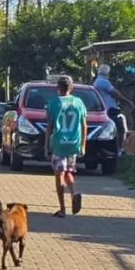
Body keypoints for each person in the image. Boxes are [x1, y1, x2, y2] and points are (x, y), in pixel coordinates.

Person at [45, 75, 87, 218]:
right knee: (69, 171)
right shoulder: (79, 102)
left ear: (58, 88)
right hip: (73, 143)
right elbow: (84, 124)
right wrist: (83, 144)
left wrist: (46, 146)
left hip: (59, 143)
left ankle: (62, 209)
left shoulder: (53, 103)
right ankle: (74, 194)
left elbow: (49, 126)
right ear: (71, 87)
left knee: (59, 175)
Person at [92, 64, 132, 156]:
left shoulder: (97, 81)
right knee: (119, 129)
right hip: (109, 110)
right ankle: (119, 150)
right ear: (108, 73)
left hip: (105, 110)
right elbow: (115, 93)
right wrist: (127, 101)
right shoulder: (103, 82)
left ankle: (117, 149)